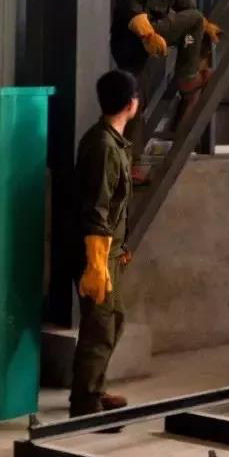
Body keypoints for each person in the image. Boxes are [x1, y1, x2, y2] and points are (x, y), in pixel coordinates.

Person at [111, 0, 220, 173]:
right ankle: (187, 78)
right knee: (193, 21)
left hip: (146, 37)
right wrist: (148, 34)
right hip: (136, 37)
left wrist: (206, 26)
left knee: (136, 101)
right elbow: (131, 5)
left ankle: (133, 164)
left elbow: (181, 1)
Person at [70, 70, 138, 417]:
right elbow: (97, 209)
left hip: (108, 251)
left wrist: (119, 250)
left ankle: (94, 388)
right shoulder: (105, 147)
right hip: (95, 253)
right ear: (131, 104)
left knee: (114, 319)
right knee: (99, 327)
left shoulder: (111, 142)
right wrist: (96, 264)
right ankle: (85, 405)